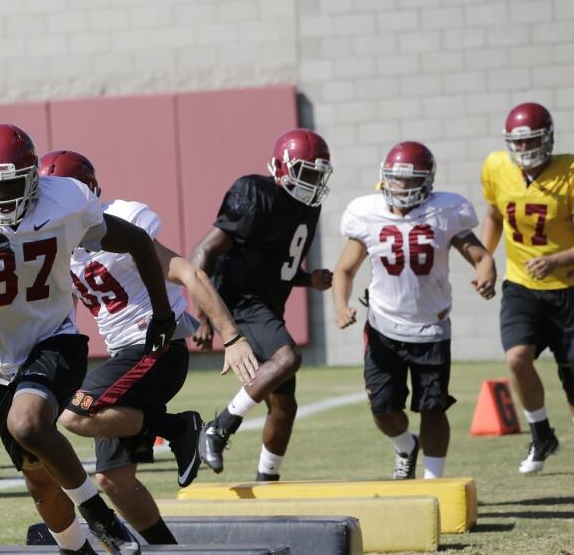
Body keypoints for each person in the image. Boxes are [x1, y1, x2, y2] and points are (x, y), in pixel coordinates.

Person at [0, 123, 179, 555]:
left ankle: (101, 518)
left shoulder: (66, 201)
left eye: (12, 185)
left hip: (55, 338)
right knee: (38, 479)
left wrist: (163, 312)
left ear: (34, 178)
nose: (2, 197)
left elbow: (136, 240)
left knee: (28, 424)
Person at [40, 150, 259, 555]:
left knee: (73, 414)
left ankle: (179, 429)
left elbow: (188, 271)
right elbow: (63, 312)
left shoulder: (121, 222)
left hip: (156, 347)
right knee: (114, 479)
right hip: (123, 356)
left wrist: (232, 336)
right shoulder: (59, 243)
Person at [333, 141, 497, 479]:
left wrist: (486, 277)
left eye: (410, 180)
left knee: (433, 408)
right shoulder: (367, 213)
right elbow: (344, 270)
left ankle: (433, 481)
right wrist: (340, 306)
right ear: (384, 178)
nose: (402, 187)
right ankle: (406, 446)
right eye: (395, 179)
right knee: (382, 408)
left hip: (431, 328)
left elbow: (481, 257)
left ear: (427, 180)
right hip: (383, 326)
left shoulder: (445, 211)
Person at [192, 128, 335, 481]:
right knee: (289, 358)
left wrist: (308, 279)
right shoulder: (255, 192)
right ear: (282, 168)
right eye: (306, 172)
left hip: (268, 304)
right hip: (239, 302)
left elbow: (278, 266)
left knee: (284, 407)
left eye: (319, 174)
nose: (313, 181)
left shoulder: (307, 209)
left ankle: (267, 478)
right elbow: (203, 252)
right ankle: (219, 428)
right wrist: (207, 317)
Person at [480, 102, 574, 474]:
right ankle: (541, 433)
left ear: (548, 138)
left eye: (533, 140)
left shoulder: (569, 172)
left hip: (568, 286)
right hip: (521, 285)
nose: (525, 149)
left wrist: (556, 260)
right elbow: (493, 214)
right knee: (516, 357)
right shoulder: (496, 167)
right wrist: (484, 258)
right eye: (518, 143)